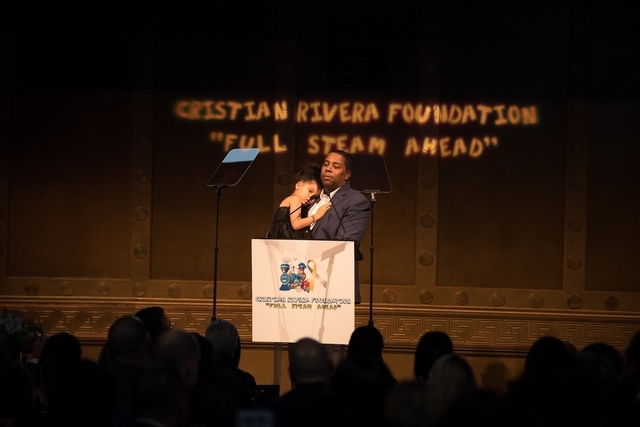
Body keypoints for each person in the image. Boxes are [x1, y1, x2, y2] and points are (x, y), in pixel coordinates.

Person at [307, 150, 371, 304]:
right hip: (300, 283)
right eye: (326, 164)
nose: (328, 169)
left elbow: (345, 244)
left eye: (336, 166)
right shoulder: (309, 197)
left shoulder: (356, 202)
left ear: (347, 174)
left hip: (334, 286)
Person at [266, 163, 330, 239]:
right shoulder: (295, 199)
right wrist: (317, 215)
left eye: (314, 197)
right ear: (298, 185)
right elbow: (296, 224)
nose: (310, 198)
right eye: (310, 191)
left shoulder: (291, 200)